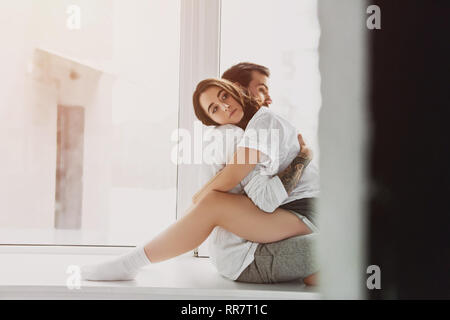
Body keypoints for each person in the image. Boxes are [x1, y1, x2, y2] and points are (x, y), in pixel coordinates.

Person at [81, 76, 319, 285]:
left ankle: (129, 264)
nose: (225, 106)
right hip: (291, 214)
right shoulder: (242, 137)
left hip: (305, 213)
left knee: (212, 203)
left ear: (236, 90)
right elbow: (244, 181)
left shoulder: (263, 122)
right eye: (215, 109)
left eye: (225, 96)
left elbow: (260, 196)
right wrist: (198, 203)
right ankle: (129, 263)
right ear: (213, 121)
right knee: (211, 202)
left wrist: (302, 158)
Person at [199, 62, 319, 284]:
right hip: (247, 255)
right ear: (240, 89)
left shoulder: (255, 131)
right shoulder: (238, 137)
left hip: (265, 239)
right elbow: (265, 199)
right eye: (262, 88)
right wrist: (303, 157)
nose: (269, 98)